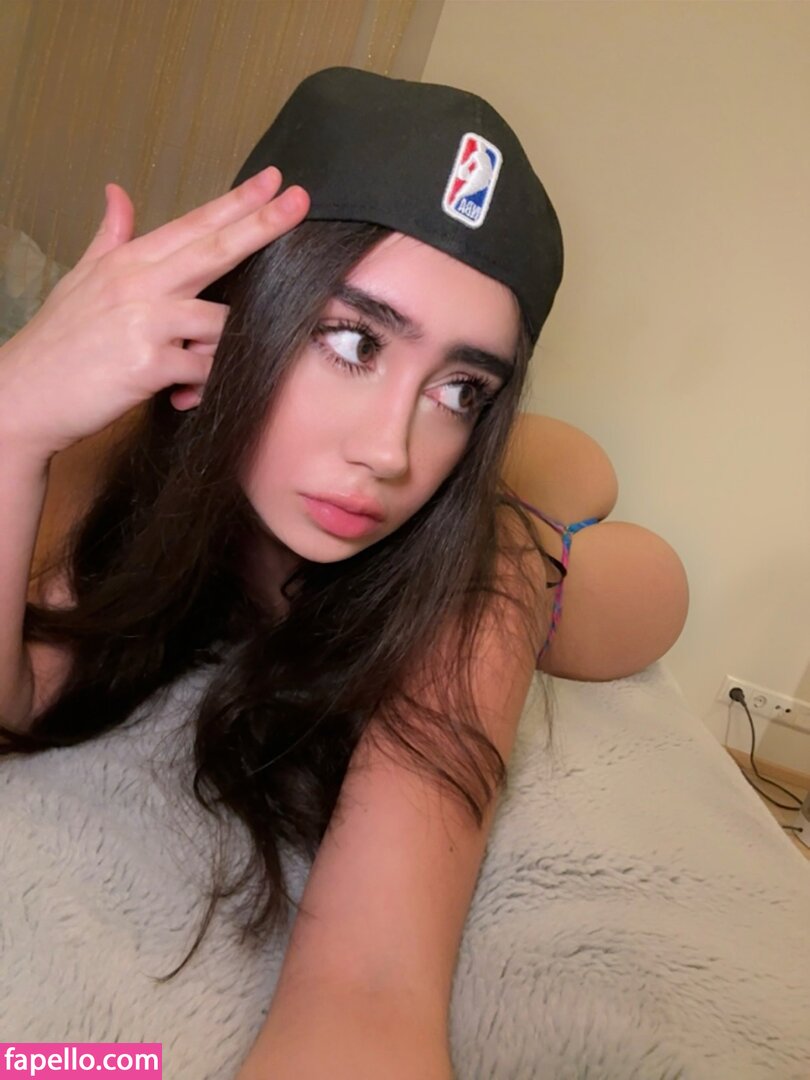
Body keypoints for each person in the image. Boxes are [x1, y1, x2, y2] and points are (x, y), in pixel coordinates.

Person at [0, 68, 687, 1078]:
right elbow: (15, 696)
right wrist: (13, 416)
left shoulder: (476, 586)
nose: (390, 451)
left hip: (548, 562)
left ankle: (533, 470)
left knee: (592, 529)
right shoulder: (120, 441)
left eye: (463, 389)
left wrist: (517, 553)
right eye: (354, 339)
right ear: (245, 304)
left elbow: (371, 989)